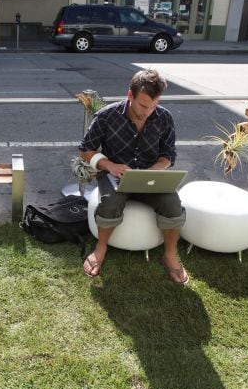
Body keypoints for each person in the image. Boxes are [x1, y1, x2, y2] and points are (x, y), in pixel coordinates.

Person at [78, 69, 189, 284]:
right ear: (130, 95)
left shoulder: (164, 117)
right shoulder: (107, 115)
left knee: (173, 203)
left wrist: (155, 170)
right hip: (114, 174)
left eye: (154, 105)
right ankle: (101, 248)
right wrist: (109, 165)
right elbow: (85, 150)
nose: (148, 112)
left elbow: (169, 155)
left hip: (150, 176)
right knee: (110, 202)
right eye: (143, 105)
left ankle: (169, 255)